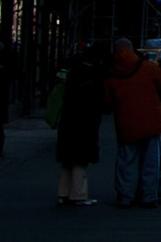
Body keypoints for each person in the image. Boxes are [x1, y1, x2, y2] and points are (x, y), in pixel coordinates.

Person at [101, 38, 161, 207]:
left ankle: (125, 195)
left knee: (126, 161)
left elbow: (107, 100)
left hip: (126, 122)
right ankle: (148, 196)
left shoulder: (111, 73)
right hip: (150, 121)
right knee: (150, 162)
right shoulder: (147, 67)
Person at [55, 44, 104, 205]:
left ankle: (63, 192)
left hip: (69, 119)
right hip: (84, 120)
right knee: (80, 160)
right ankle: (78, 194)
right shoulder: (93, 75)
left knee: (67, 160)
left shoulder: (72, 71)